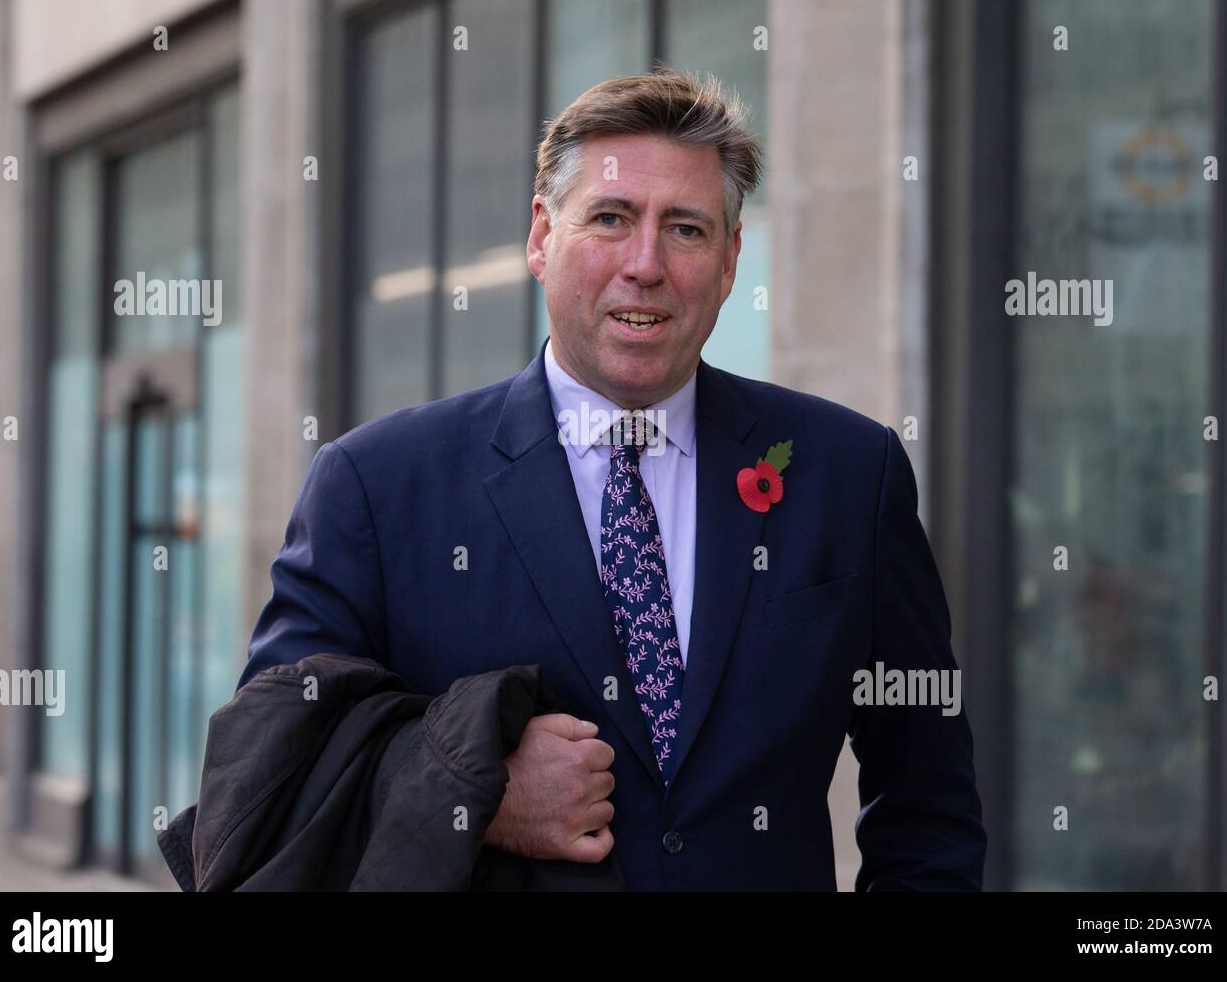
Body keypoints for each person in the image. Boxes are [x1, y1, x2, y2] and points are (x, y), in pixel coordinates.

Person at [237, 67, 986, 890]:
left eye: (688, 230)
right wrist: (471, 787)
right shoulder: (376, 487)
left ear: (732, 260)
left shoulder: (849, 474)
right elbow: (275, 770)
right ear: (540, 237)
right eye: (610, 218)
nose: (645, 264)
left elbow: (928, 802)